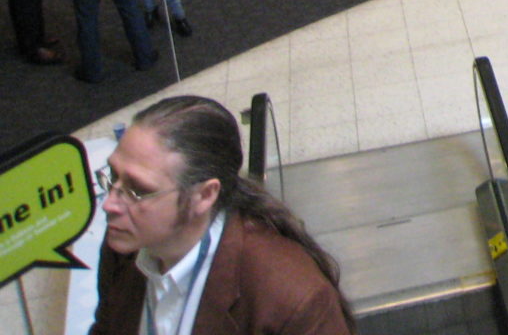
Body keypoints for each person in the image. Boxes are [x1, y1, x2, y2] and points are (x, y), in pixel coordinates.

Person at [90, 95, 355, 335]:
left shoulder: (294, 300)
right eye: (113, 176)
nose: (110, 204)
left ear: (204, 196)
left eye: (138, 190)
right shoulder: (126, 247)